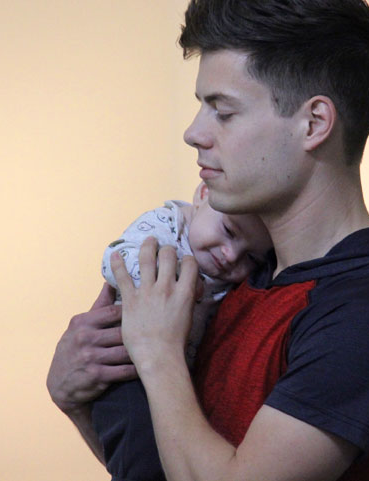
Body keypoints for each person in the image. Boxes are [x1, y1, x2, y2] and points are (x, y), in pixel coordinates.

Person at [47, 0, 369, 481]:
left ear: (314, 124)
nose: (194, 133)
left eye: (223, 112)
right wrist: (80, 400)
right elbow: (172, 467)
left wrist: (156, 352)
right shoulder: (240, 277)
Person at [93, 181, 272, 481]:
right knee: (141, 453)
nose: (231, 255)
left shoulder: (230, 277)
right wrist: (170, 280)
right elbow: (115, 259)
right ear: (203, 195)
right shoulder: (168, 227)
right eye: (229, 231)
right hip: (125, 372)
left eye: (251, 257)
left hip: (175, 379)